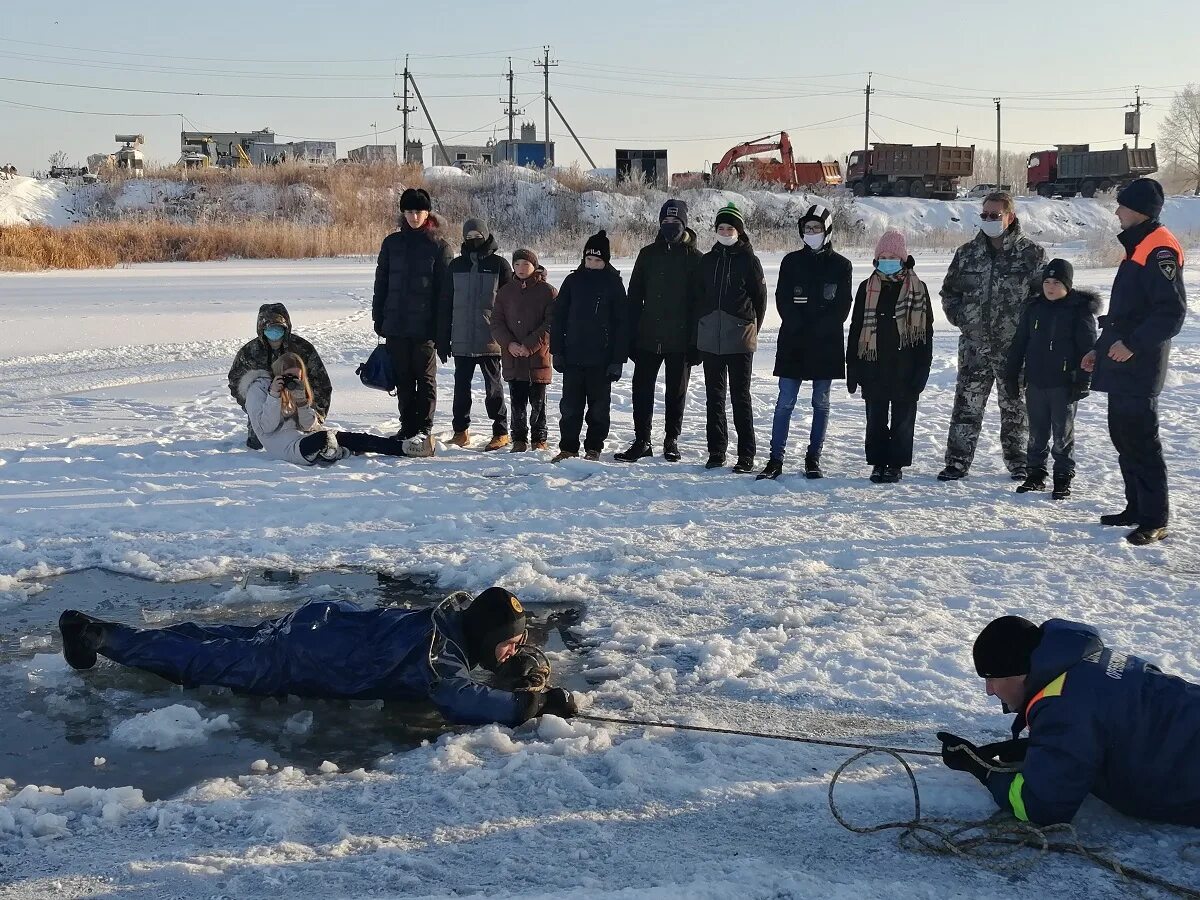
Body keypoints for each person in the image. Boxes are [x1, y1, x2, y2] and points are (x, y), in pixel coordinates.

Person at [58, 587, 580, 727]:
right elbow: (459, 700)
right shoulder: (437, 657)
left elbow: (499, 644)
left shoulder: (453, 619)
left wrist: (529, 664)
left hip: (323, 621)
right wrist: (528, 707)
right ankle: (103, 639)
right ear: (484, 634)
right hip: (305, 658)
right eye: (509, 643)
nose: (513, 650)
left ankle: (105, 631)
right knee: (203, 660)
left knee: (214, 636)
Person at [936, 615, 1200, 827]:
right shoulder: (1087, 661)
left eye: (991, 678)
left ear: (1019, 673)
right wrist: (1034, 748)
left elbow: (1040, 806)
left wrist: (981, 770)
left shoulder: (1064, 706)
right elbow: (1115, 725)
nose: (989, 690)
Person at [1082, 178, 1187, 546]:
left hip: (1140, 365)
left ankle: (1155, 518)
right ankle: (1136, 507)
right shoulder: (1138, 245)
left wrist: (1132, 346)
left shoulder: (1159, 249)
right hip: (1121, 358)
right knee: (1123, 437)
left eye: (1122, 206)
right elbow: (1126, 313)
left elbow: (1170, 314)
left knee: (1142, 442)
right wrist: (1101, 348)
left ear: (1139, 210)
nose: (1116, 211)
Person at [939, 192, 1046, 481]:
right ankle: (957, 461)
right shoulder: (967, 254)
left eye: (994, 216)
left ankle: (1018, 461)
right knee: (967, 405)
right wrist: (963, 319)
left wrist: (1030, 334)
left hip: (1014, 348)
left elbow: (1043, 300)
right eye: (984, 215)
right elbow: (950, 293)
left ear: (1009, 217)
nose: (988, 220)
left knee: (1015, 408)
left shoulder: (1031, 254)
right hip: (974, 347)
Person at [758, 205, 853, 481]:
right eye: (807, 229)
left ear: (828, 230)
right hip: (794, 342)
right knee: (785, 401)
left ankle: (813, 458)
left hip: (826, 344)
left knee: (820, 403)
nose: (811, 233)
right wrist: (798, 325)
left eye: (817, 228)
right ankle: (775, 458)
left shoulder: (841, 265)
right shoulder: (790, 262)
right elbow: (783, 299)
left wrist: (820, 328)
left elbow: (842, 306)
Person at [615, 199, 704, 464]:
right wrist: (629, 335)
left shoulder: (696, 259)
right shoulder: (647, 254)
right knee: (641, 389)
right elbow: (634, 297)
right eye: (665, 222)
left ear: (684, 224)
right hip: (647, 336)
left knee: (676, 391)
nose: (670, 227)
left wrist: (696, 342)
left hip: (681, 338)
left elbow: (701, 304)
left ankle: (671, 439)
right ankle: (642, 440)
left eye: (675, 223)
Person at [1004, 259, 1099, 500]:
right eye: (1047, 282)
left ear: (1067, 285)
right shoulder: (1035, 308)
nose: (1050, 287)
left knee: (1062, 433)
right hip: (1036, 382)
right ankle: (1035, 475)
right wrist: (1011, 375)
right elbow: (1019, 344)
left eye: (1056, 282)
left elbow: (1088, 349)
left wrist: (1083, 380)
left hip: (1064, 384)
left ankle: (1062, 477)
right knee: (1036, 432)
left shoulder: (1079, 311)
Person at [845, 230, 933, 483]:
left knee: (903, 419)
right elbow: (856, 328)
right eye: (882, 256)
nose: (887, 260)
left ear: (903, 258)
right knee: (875, 419)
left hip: (905, 367)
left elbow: (925, 332)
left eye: (892, 256)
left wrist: (922, 370)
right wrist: (853, 368)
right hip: (873, 366)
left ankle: (896, 464)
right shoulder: (867, 287)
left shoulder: (918, 288)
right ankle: (878, 462)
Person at [238, 352, 433, 466]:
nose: (292, 381)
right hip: (289, 449)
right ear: (278, 373)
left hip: (306, 437)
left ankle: (406, 448)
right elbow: (266, 428)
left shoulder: (295, 390)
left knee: (355, 438)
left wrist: (301, 402)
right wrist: (274, 396)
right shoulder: (258, 390)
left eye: (297, 377)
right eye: (288, 376)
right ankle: (334, 451)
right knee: (324, 438)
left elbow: (309, 426)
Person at [372, 187, 453, 443]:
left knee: (425, 380)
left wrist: (442, 331)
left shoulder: (439, 247)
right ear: (402, 213)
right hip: (396, 324)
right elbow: (381, 282)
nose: (414, 216)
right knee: (403, 379)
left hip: (425, 328)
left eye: (418, 211)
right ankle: (407, 425)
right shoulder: (392, 243)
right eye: (409, 211)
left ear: (427, 213)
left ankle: (424, 428)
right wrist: (379, 316)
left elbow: (445, 293)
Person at [695, 203, 767, 474]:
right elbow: (698, 296)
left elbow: (760, 302)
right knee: (713, 397)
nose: (725, 232)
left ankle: (746, 454)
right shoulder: (708, 260)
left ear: (739, 231)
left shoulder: (749, 260)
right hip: (711, 338)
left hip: (739, 338)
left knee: (740, 396)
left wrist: (749, 328)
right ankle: (716, 451)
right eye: (721, 228)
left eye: (730, 228)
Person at [550, 230, 629, 463]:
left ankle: (593, 447)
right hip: (573, 357)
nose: (592, 264)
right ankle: (568, 448)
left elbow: (621, 325)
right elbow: (559, 318)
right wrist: (557, 351)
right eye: (589, 259)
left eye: (597, 260)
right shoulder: (572, 281)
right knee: (570, 408)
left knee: (598, 410)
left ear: (606, 261)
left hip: (601, 361)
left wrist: (617, 360)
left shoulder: (613, 284)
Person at [446, 216, 513, 452]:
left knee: (493, 388)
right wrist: (444, 337)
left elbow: (510, 304)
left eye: (478, 236)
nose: (474, 240)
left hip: (490, 339)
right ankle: (460, 432)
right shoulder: (456, 266)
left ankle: (501, 432)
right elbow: (446, 303)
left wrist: (508, 338)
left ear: (486, 236)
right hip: (462, 338)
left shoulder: (500, 265)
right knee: (460, 388)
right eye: (469, 237)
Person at [228, 303, 332, 450]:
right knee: (257, 443)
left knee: (307, 442)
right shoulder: (249, 352)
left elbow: (322, 383)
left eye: (279, 327)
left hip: (298, 403)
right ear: (261, 329)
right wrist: (254, 406)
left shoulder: (303, 348)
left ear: (286, 327)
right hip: (266, 406)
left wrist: (316, 413)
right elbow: (236, 382)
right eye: (269, 328)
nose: (274, 332)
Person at [491, 249, 557, 453]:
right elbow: (496, 322)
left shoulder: (548, 291)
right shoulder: (505, 292)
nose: (521, 268)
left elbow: (551, 324)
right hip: (513, 357)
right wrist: (509, 344)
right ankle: (519, 438)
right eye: (517, 264)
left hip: (538, 357)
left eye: (525, 264)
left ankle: (539, 437)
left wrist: (529, 346)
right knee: (517, 400)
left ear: (534, 266)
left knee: (538, 401)